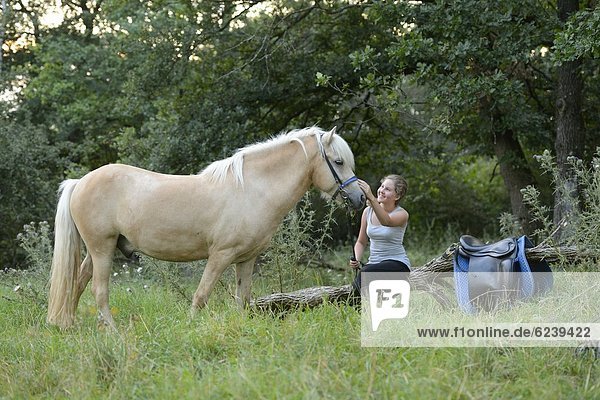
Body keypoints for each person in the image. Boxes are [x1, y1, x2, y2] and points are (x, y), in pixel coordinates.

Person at [349, 174, 411, 294]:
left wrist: (371, 198)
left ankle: (353, 309)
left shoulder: (402, 214)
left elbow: (386, 221)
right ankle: (359, 310)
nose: (381, 191)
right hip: (373, 264)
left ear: (397, 196)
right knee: (368, 277)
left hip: (397, 264)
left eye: (387, 189)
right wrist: (356, 258)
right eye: (382, 186)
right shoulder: (367, 212)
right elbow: (361, 242)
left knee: (365, 273)